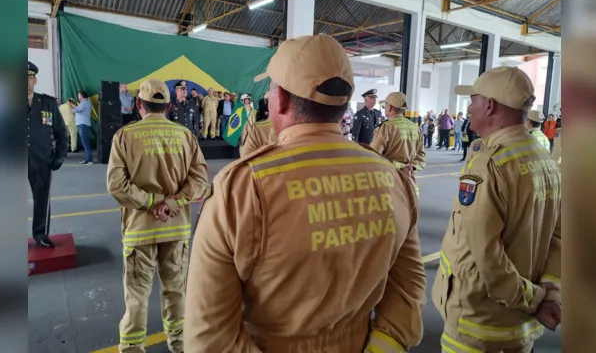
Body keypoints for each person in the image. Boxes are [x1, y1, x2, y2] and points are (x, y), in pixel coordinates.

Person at [186, 34, 426, 352]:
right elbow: (408, 288)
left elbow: (208, 337)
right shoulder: (392, 179)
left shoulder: (241, 189)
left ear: (281, 99)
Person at [433, 66, 561, 353]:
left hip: (477, 324)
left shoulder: (490, 164)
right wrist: (550, 295)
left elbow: (485, 253)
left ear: (489, 106)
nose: (469, 107)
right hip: (520, 329)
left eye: (473, 100)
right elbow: (559, 240)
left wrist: (531, 299)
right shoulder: (546, 160)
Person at [107, 79, 208, 353]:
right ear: (168, 105)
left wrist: (151, 202)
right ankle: (180, 345)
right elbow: (199, 180)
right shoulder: (186, 136)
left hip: (139, 231)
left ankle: (132, 348)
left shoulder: (125, 136)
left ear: (139, 104)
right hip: (177, 230)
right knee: (176, 291)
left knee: (137, 296)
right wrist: (172, 202)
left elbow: (117, 185)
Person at [28, 61, 68, 248]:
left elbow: (62, 132)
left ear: (35, 80)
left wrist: (60, 155)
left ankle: (40, 234)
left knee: (41, 199)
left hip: (41, 161)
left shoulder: (48, 103)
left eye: (29, 78)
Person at [370, 92, 426, 176]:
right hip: (408, 178)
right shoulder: (416, 129)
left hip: (389, 178)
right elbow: (421, 158)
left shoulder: (386, 127)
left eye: (385, 105)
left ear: (390, 107)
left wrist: (400, 166)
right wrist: (410, 167)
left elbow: (374, 156)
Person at [73, 90, 93, 164]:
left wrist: (71, 106)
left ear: (81, 96)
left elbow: (77, 110)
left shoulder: (84, 103)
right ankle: (88, 158)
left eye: (78, 95)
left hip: (83, 124)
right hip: (83, 124)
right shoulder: (85, 103)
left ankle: (89, 159)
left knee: (85, 142)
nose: (78, 97)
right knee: (85, 142)